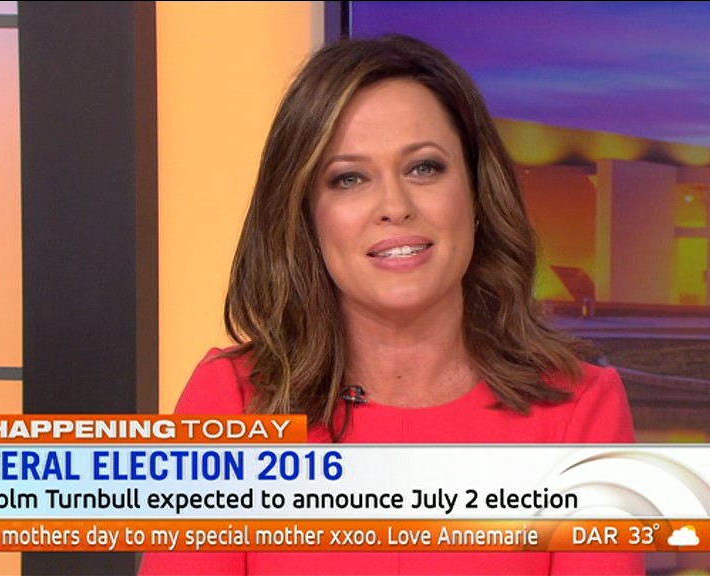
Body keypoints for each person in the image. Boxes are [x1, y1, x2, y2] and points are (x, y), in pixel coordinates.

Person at [140, 34, 642, 575]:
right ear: (306, 216)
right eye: (349, 178)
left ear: (476, 193)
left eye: (424, 168)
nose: (394, 206)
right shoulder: (231, 403)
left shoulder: (580, 411)